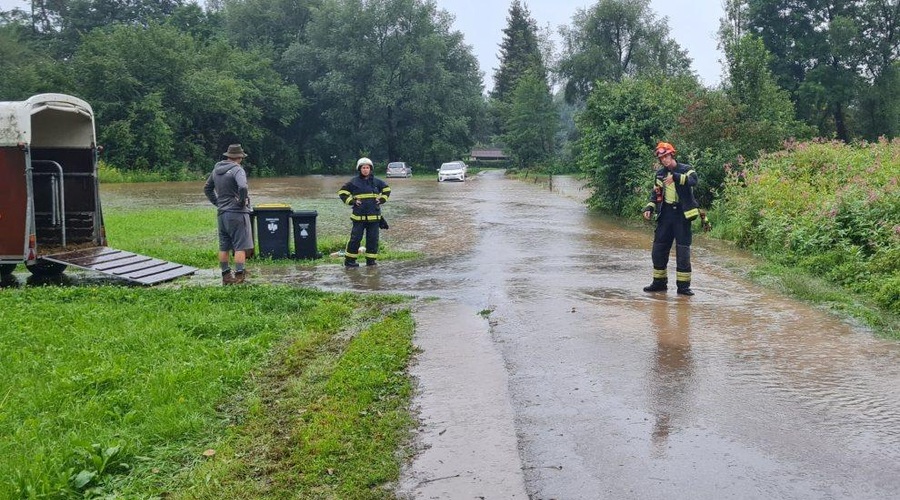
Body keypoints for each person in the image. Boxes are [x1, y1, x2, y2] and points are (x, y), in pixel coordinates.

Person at [642, 142, 700, 295]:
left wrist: (675, 177)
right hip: (665, 215)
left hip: (682, 215)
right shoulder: (660, 174)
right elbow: (656, 194)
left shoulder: (686, 169)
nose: (664, 161)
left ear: (672, 154)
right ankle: (659, 283)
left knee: (683, 252)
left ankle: (683, 288)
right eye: (661, 159)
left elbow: (693, 180)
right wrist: (649, 207)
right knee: (658, 250)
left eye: (666, 157)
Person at [204, 144, 253, 284]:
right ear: (240, 157)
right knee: (240, 246)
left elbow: (207, 188)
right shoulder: (238, 170)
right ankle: (239, 275)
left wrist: (218, 203)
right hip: (237, 214)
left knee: (224, 246)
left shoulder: (216, 170)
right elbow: (243, 187)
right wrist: (242, 202)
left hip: (222, 214)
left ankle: (226, 276)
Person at [337, 157, 391, 267]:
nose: (365, 170)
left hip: (374, 218)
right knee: (355, 239)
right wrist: (352, 201)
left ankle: (371, 261)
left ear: (370, 169)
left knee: (373, 240)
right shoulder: (353, 182)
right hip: (359, 217)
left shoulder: (377, 182)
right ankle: (349, 261)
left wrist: (381, 200)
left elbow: (387, 190)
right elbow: (342, 192)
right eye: (363, 167)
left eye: (367, 167)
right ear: (359, 169)